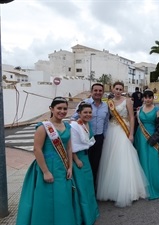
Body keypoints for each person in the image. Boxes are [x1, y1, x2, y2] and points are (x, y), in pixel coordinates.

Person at [16, 97, 80, 225]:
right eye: (59, 108)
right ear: (51, 109)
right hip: (47, 166)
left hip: (62, 167)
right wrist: (45, 171)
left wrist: (70, 167)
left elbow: (68, 147)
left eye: (65, 109)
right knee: (46, 199)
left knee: (63, 197)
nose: (62, 111)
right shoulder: (43, 127)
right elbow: (37, 149)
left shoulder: (67, 126)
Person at [96, 81, 148, 207]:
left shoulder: (128, 100)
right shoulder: (109, 102)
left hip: (124, 130)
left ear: (122, 90)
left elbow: (132, 117)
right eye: (116, 88)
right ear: (113, 89)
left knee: (125, 158)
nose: (118, 91)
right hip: (112, 130)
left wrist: (131, 134)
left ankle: (127, 190)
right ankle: (112, 189)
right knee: (111, 159)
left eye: (120, 89)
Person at [71, 83, 109, 188]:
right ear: (91, 91)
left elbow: (106, 122)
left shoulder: (106, 106)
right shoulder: (84, 103)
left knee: (96, 163)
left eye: (100, 91)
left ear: (103, 92)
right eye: (95, 90)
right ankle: (83, 188)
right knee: (84, 164)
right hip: (85, 138)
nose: (98, 93)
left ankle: (93, 189)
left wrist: (104, 136)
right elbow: (73, 118)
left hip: (99, 138)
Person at [134, 89, 159, 200]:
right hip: (140, 137)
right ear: (143, 98)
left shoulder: (158, 110)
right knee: (141, 159)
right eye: (146, 97)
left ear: (153, 98)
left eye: (150, 97)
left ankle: (154, 185)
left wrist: (155, 139)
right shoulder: (139, 110)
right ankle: (141, 186)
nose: (148, 99)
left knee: (153, 160)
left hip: (152, 137)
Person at [70, 101, 100, 225]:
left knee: (88, 186)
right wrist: (76, 159)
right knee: (81, 188)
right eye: (85, 112)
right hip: (79, 159)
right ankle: (83, 217)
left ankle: (91, 213)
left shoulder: (87, 124)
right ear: (79, 113)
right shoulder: (75, 126)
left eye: (90, 112)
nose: (88, 114)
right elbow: (70, 145)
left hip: (86, 158)